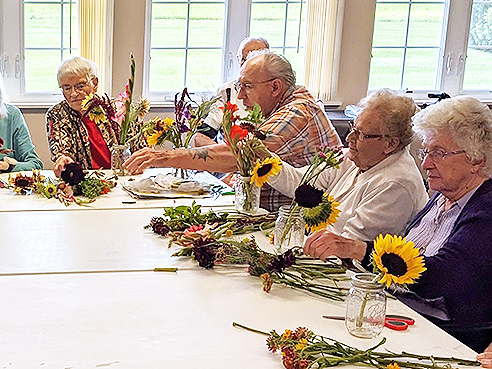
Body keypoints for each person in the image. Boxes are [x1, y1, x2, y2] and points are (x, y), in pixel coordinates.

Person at [303, 96, 492, 353]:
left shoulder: (485, 211)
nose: (425, 163)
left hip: (443, 336)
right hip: (400, 310)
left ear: (477, 160)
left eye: (439, 153)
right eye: (426, 152)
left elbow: (439, 277)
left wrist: (356, 249)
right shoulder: (443, 195)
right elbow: (404, 255)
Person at [125, 52, 341, 211]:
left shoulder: (297, 112)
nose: (241, 95)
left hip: (293, 225)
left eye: (247, 86)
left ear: (275, 87)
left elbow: (241, 155)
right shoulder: (278, 107)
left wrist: (164, 157)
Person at [265, 89, 427, 240]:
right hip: (322, 252)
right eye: (353, 128)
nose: (349, 138)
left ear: (390, 144)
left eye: (361, 134)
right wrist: (262, 158)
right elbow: (301, 183)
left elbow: (350, 244)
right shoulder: (357, 157)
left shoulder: (396, 184)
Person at [46, 57, 119, 176]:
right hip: (83, 182)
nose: (73, 94)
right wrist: (63, 159)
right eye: (67, 88)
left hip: (121, 178)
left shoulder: (116, 109)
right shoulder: (56, 113)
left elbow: (140, 149)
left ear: (95, 83)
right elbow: (61, 150)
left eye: (80, 86)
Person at [201, 37, 270, 138]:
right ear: (240, 61)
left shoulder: (276, 93)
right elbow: (203, 135)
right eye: (247, 60)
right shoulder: (227, 92)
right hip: (228, 150)